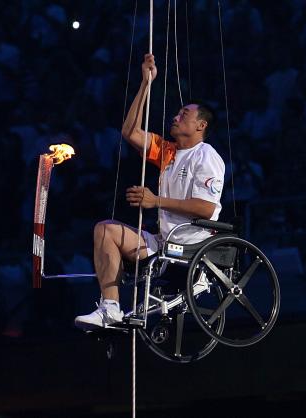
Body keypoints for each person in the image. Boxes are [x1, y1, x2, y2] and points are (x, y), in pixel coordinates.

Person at [74, 53, 225, 330]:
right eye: (178, 114)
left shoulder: (206, 156)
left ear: (201, 125)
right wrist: (146, 84)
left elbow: (207, 209)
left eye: (184, 115)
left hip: (190, 245)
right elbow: (130, 131)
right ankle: (110, 309)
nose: (176, 117)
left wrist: (155, 201)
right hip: (163, 241)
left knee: (110, 229)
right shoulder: (169, 151)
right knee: (104, 230)